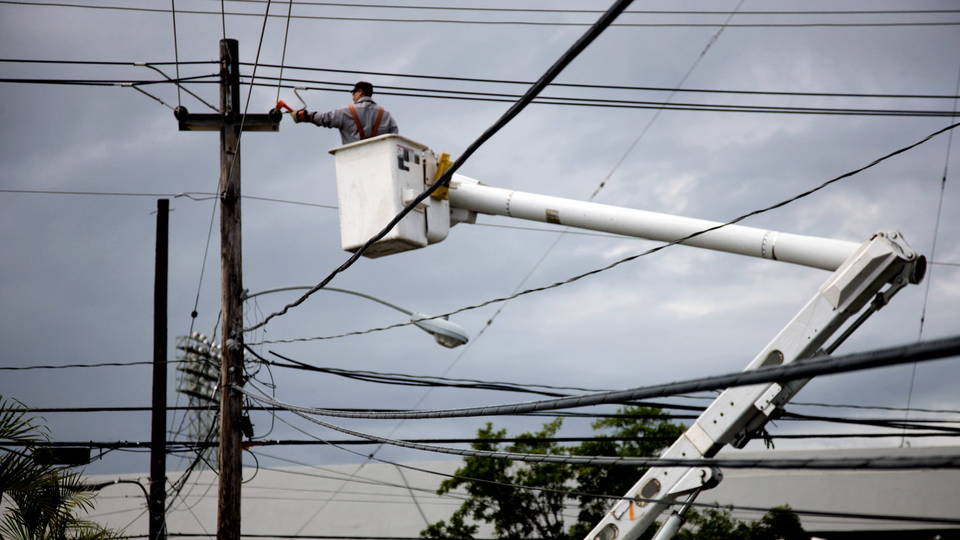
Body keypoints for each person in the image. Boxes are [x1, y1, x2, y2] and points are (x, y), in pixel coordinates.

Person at [292, 81, 398, 144]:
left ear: (360, 92)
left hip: (353, 161)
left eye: (354, 93)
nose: (352, 96)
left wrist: (304, 116)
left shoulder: (347, 112)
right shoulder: (386, 115)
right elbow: (395, 139)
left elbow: (325, 118)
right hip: (380, 163)